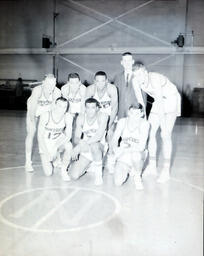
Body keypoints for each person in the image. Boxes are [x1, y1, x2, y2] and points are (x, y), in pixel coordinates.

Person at [132, 61, 181, 183]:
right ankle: (152, 166)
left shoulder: (155, 79)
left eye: (140, 75)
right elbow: (141, 102)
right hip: (158, 102)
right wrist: (143, 120)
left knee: (165, 135)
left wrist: (163, 126)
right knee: (149, 132)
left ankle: (165, 170)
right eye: (136, 75)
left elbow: (160, 103)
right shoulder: (135, 81)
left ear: (146, 72)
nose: (138, 78)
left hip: (171, 99)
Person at [25, 74, 61, 172]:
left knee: (52, 134)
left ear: (55, 83)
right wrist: (33, 123)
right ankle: (28, 162)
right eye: (49, 84)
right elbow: (32, 109)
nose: (51, 86)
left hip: (46, 112)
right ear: (44, 83)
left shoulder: (57, 92)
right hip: (34, 111)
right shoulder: (37, 90)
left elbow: (55, 111)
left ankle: (56, 159)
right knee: (31, 133)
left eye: (53, 83)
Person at [108, 104, 149, 190]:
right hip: (124, 154)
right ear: (128, 113)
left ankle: (137, 177)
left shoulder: (145, 124)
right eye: (132, 113)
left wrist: (123, 150)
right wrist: (115, 151)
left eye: (137, 114)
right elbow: (114, 139)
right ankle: (130, 168)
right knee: (118, 182)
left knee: (136, 155)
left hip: (138, 153)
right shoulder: (122, 122)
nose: (134, 116)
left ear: (142, 114)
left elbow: (141, 147)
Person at [69, 98, 109, 185]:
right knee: (74, 175)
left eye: (93, 108)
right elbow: (76, 138)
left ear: (97, 108)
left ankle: (98, 175)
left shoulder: (103, 116)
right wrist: (80, 144)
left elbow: (98, 136)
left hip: (99, 147)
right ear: (85, 108)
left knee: (94, 145)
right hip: (86, 147)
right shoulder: (81, 118)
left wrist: (79, 147)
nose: (90, 111)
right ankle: (90, 165)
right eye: (88, 108)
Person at [38, 97, 73, 180]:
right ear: (55, 105)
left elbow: (68, 136)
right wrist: (47, 153)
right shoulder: (46, 115)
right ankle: (56, 158)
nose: (62, 109)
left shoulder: (68, 116)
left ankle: (64, 171)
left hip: (58, 141)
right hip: (46, 142)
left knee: (69, 146)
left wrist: (55, 147)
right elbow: (40, 137)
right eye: (60, 106)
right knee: (48, 173)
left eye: (65, 107)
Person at [114, 52, 146, 119]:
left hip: (135, 112)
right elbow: (115, 97)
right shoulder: (117, 77)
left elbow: (143, 96)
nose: (127, 63)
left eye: (129, 60)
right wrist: (115, 113)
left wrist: (143, 111)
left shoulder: (138, 76)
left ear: (132, 62)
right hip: (121, 113)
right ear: (121, 62)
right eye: (125, 61)